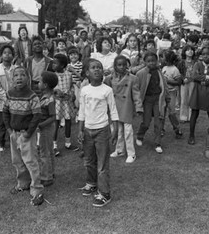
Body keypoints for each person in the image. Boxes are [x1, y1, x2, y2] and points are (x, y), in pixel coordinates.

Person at [77, 59, 119, 207]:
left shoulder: (106, 90)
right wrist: (81, 129)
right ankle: (91, 183)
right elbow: (82, 111)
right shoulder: (84, 90)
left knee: (102, 164)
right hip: (88, 130)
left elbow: (113, 110)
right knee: (89, 160)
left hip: (102, 130)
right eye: (93, 68)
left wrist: (115, 129)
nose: (97, 70)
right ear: (87, 73)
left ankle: (105, 193)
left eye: (99, 68)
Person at [3, 67, 44, 206]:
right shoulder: (9, 94)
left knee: (30, 161)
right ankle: (23, 183)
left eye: (22, 75)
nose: (19, 77)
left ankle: (37, 189)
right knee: (17, 161)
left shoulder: (32, 96)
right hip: (14, 133)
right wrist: (9, 130)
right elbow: (5, 112)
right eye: (16, 75)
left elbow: (37, 115)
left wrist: (28, 133)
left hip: (27, 134)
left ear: (28, 78)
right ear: (12, 79)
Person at [104, 55, 143, 164]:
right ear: (115, 66)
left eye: (124, 65)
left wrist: (138, 107)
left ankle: (131, 153)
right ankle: (119, 150)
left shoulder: (133, 78)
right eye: (119, 65)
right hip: (115, 107)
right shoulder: (109, 79)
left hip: (126, 107)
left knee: (128, 131)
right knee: (118, 131)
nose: (121, 67)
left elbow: (136, 94)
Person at [135, 52, 169, 154]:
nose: (151, 63)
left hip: (158, 99)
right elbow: (137, 89)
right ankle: (140, 136)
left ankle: (157, 143)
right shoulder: (140, 73)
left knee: (159, 122)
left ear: (157, 61)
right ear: (144, 62)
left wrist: (167, 98)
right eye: (148, 61)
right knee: (146, 121)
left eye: (153, 61)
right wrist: (138, 103)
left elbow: (164, 86)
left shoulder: (160, 72)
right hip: (147, 100)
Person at [188, 47, 209, 145]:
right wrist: (206, 77)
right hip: (197, 92)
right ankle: (191, 135)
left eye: (208, 54)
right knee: (194, 113)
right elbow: (194, 76)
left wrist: (204, 82)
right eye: (203, 54)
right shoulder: (197, 64)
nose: (205, 56)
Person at [52, 54, 77, 154]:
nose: (53, 65)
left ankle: (68, 143)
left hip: (67, 101)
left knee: (68, 121)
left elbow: (71, 86)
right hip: (57, 102)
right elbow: (50, 89)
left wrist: (71, 94)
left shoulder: (68, 75)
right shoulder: (53, 76)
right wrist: (56, 92)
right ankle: (54, 145)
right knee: (56, 122)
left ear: (62, 65)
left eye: (55, 63)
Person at [37, 71, 58, 187]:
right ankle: (51, 172)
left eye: (40, 82)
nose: (38, 84)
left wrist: (41, 125)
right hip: (46, 127)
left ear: (45, 85)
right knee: (48, 151)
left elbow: (53, 117)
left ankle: (46, 177)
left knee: (44, 152)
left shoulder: (49, 99)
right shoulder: (45, 97)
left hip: (46, 128)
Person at [160, 50, 183, 139]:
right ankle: (161, 129)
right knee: (162, 112)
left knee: (172, 113)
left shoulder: (175, 69)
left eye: (163, 57)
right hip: (164, 93)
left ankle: (177, 129)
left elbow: (178, 82)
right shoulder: (164, 67)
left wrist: (167, 80)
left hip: (171, 93)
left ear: (168, 59)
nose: (162, 59)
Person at [178, 45, 196, 122]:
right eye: (188, 50)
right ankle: (183, 116)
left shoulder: (195, 62)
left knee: (191, 99)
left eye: (192, 50)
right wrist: (183, 78)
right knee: (183, 99)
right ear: (184, 52)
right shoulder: (181, 62)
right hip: (184, 83)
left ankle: (191, 117)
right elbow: (178, 72)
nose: (190, 51)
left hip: (193, 82)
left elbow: (198, 72)